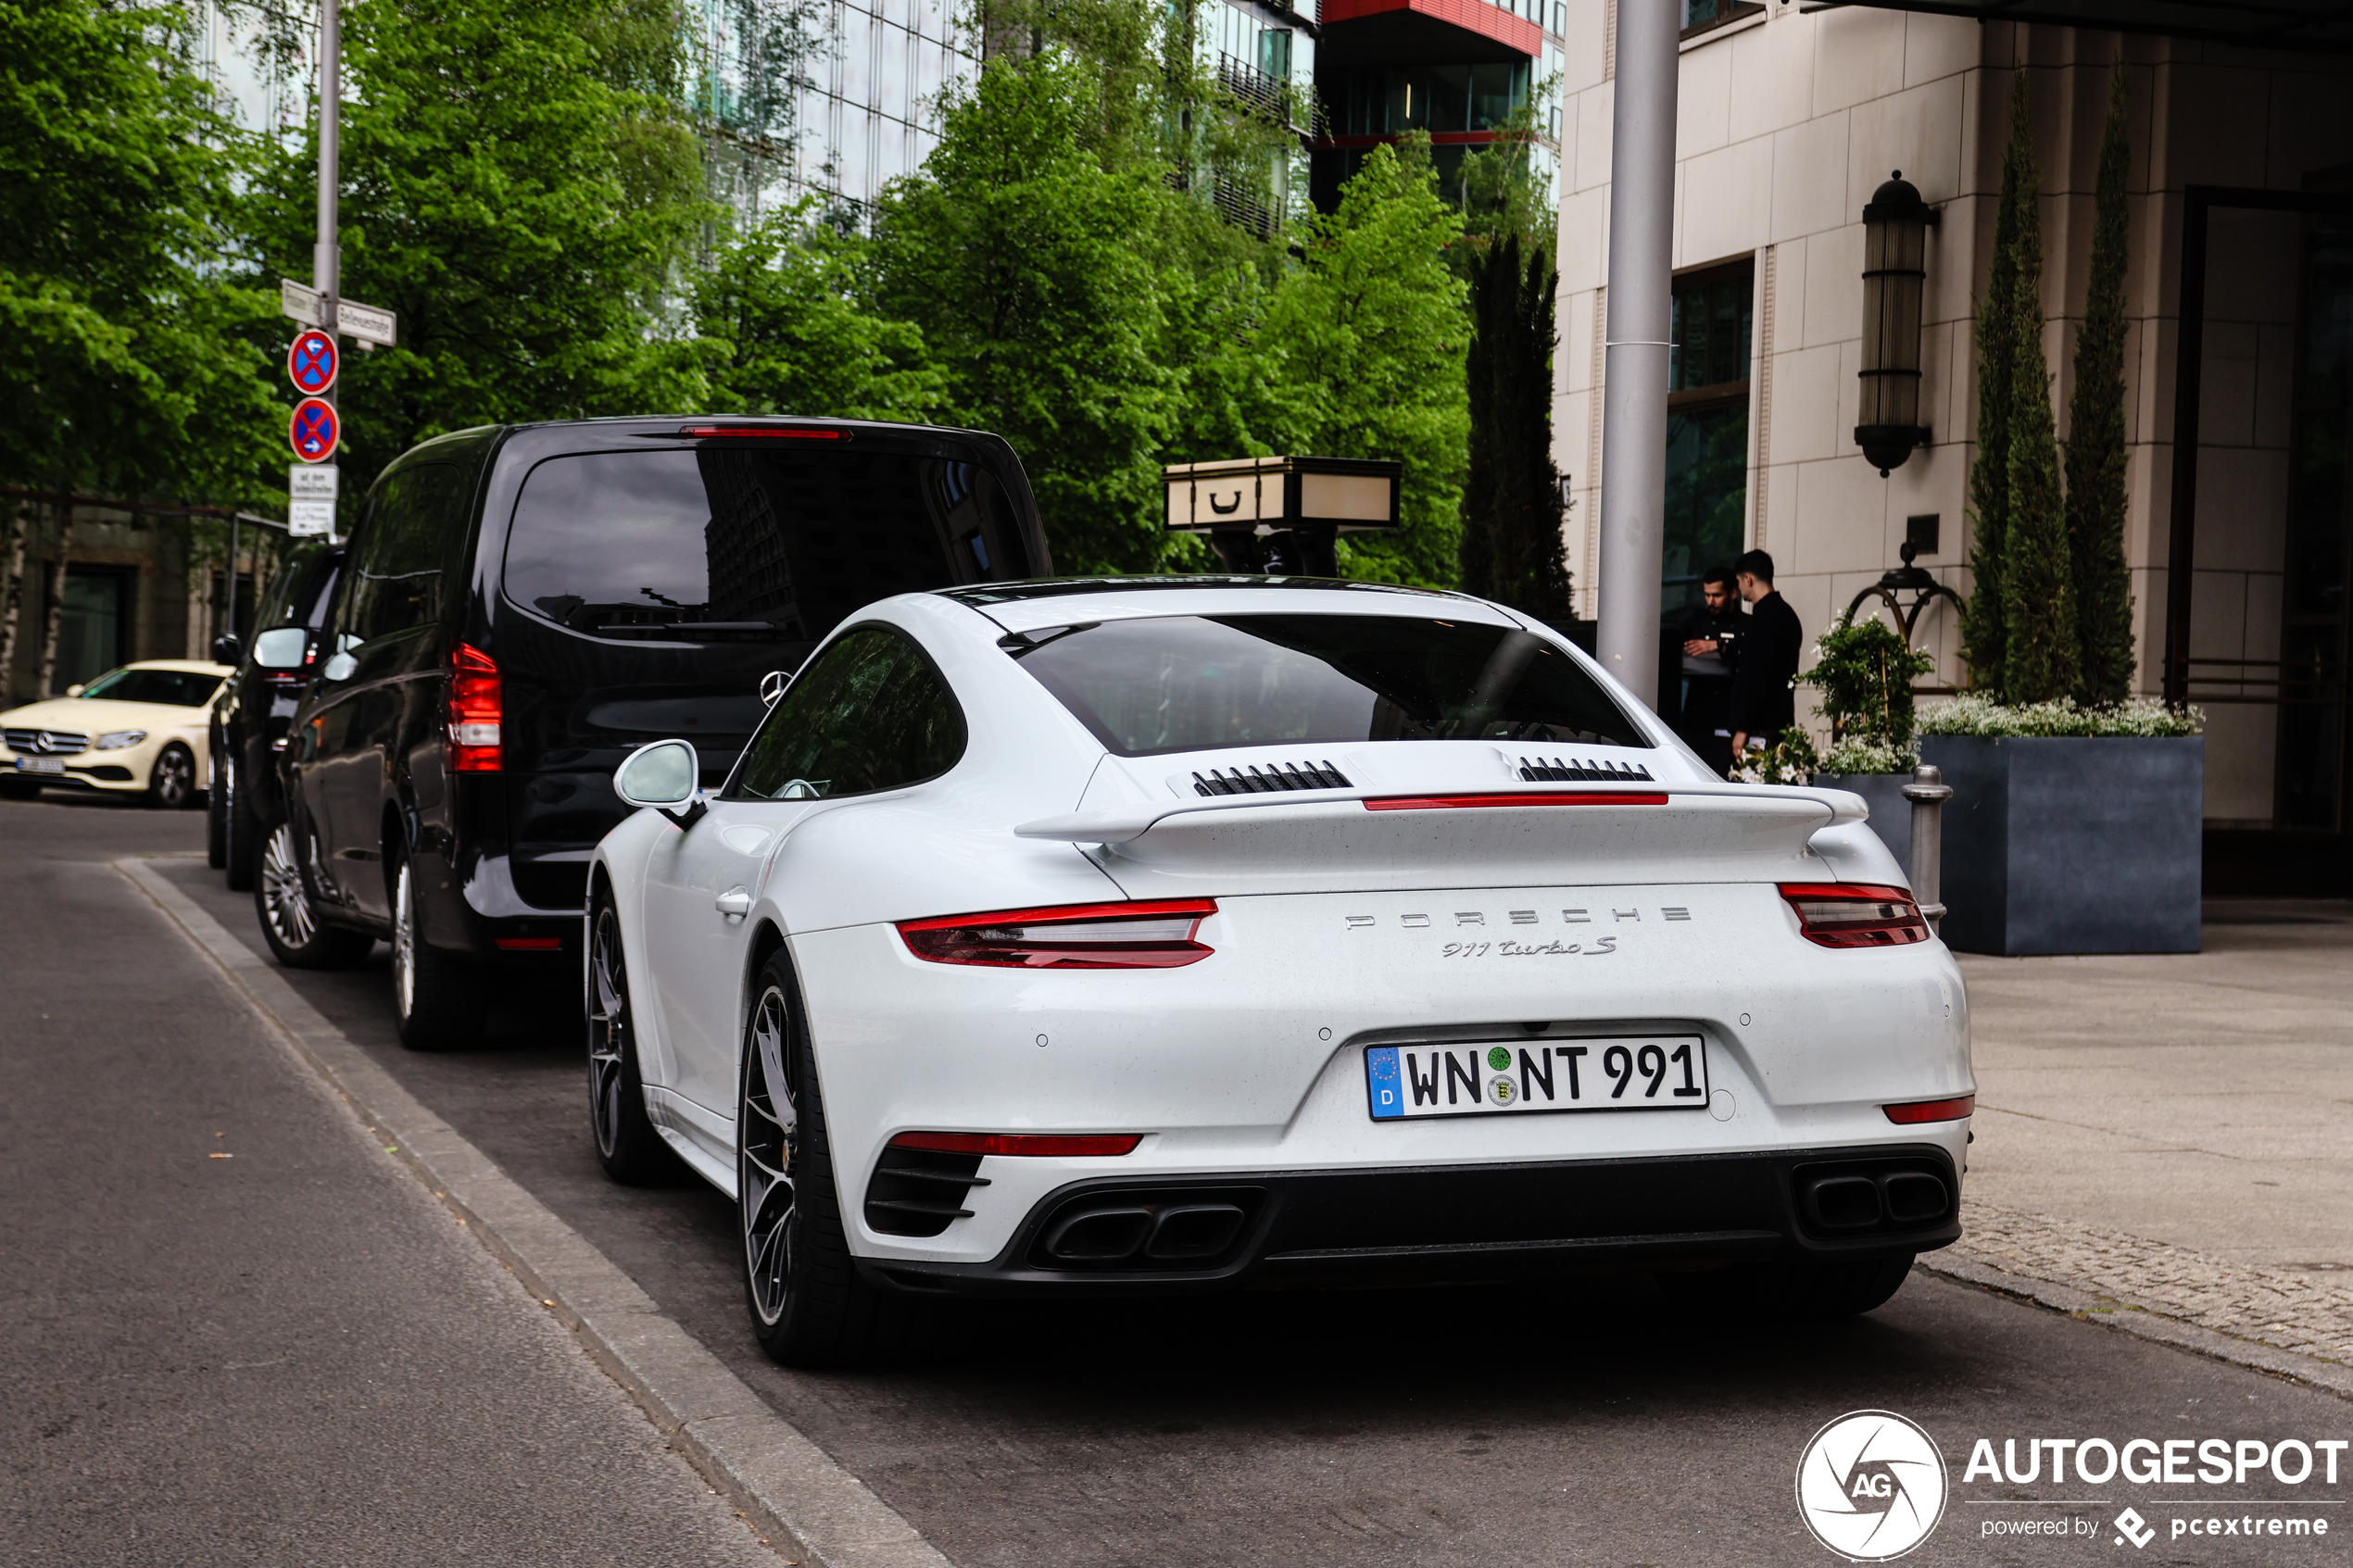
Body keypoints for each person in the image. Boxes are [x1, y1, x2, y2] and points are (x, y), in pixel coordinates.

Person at [1726, 549, 1802, 762]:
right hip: (1782, 721)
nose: (1740, 589)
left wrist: (1742, 728)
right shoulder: (1788, 615)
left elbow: (1756, 677)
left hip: (1760, 729)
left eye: (1739, 582)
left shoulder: (1763, 619)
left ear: (1748, 579)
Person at [1676, 565, 1743, 776]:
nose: (1711, 601)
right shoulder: (1698, 620)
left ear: (1733, 593)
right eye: (1707, 595)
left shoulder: (1744, 624)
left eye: (1717, 595)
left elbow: (1749, 650)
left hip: (1727, 711)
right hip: (1697, 713)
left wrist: (1720, 646)